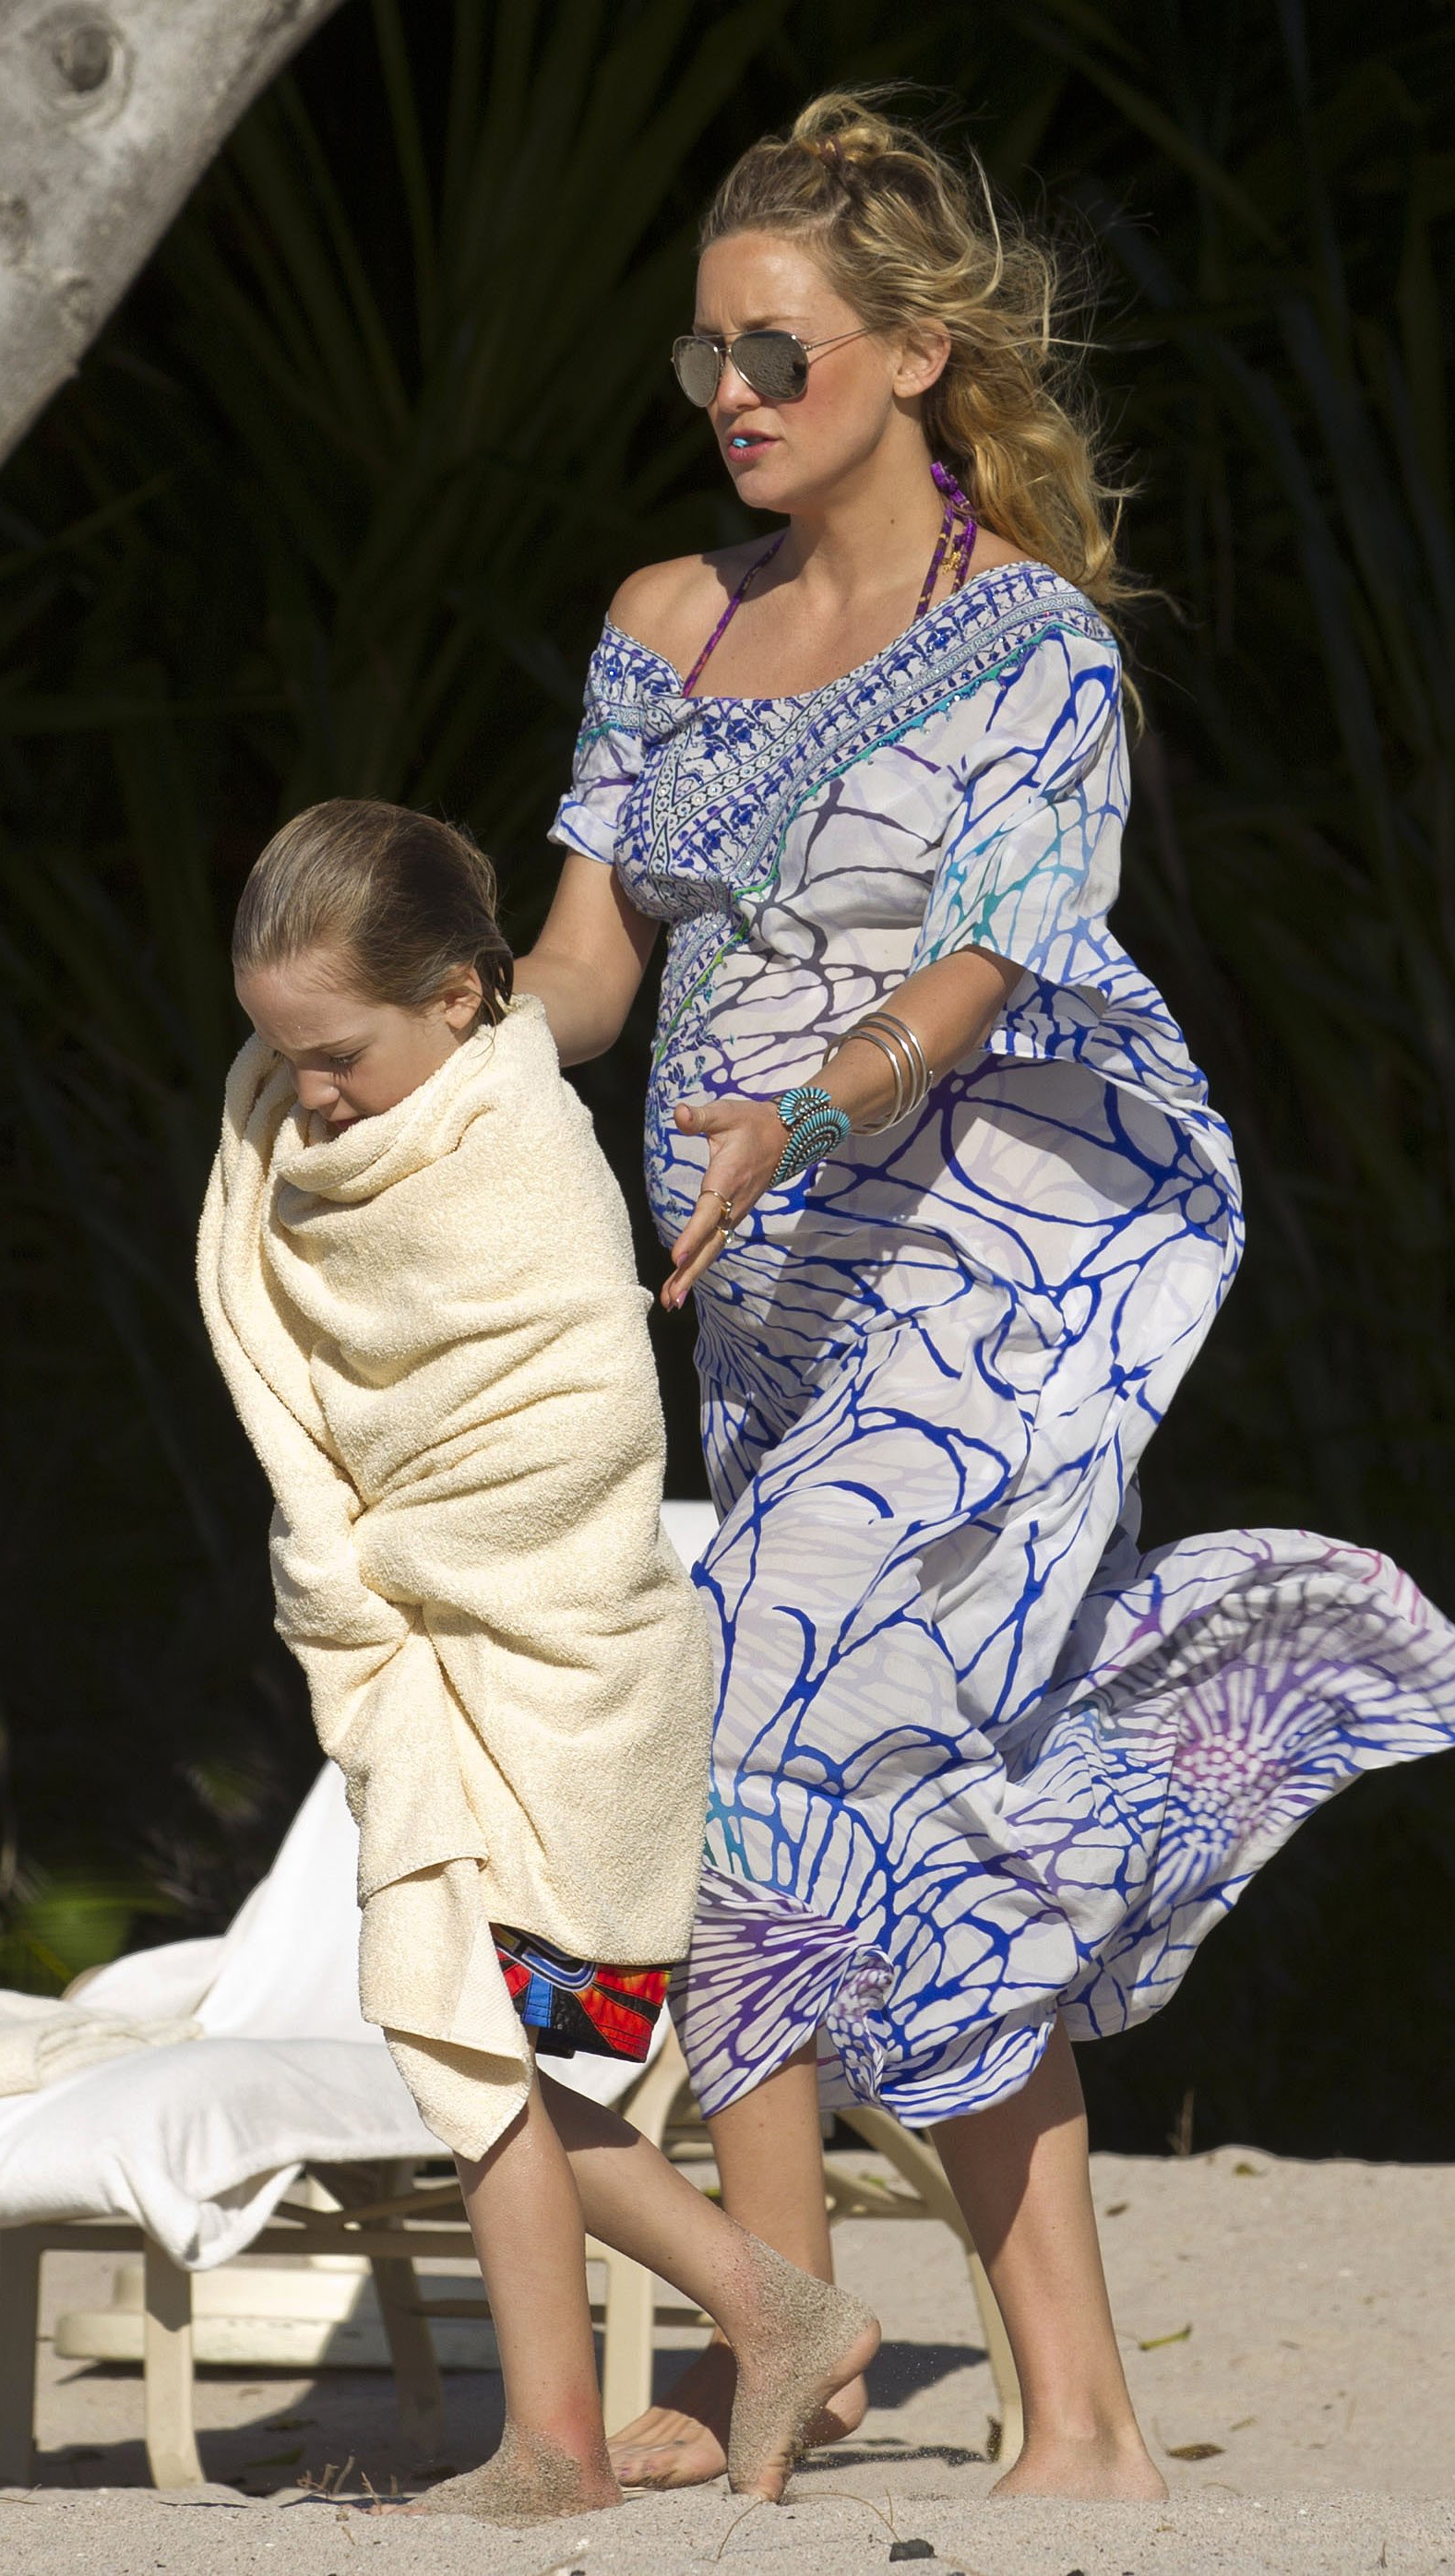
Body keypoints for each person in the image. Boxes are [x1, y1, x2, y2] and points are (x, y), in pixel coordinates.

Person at [511, 95, 1455, 2501]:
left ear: (914, 355)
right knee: (864, 1805)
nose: (733, 395)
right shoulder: (672, 625)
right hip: (760, 1324)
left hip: (993, 1290)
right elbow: (576, 982)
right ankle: (1067, 2418)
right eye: (706, 356)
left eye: (777, 350)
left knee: (744, 1724)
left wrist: (798, 1112)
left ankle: (785, 2337)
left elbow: (985, 970)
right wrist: (379, 1022)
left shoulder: (1028, 647)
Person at [197, 799, 877, 2522]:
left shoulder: (522, 1150)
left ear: (461, 998)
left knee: (526, 2043)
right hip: (423, 1665)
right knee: (473, 2040)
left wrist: (405, 1564)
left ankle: (760, 2311)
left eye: (341, 1055)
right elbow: (309, 1392)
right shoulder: (297, 1134)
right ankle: (557, 2442)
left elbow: (571, 1431)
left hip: (566, 1671)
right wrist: (358, 1588)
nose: (311, 1097)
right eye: (281, 1056)